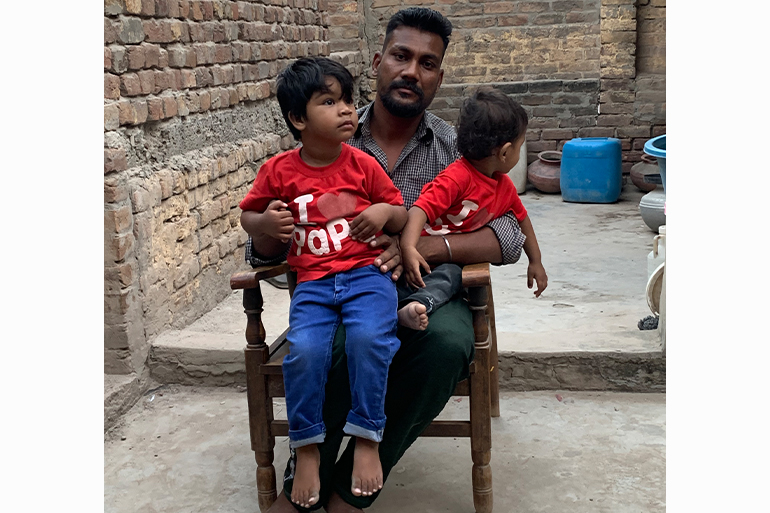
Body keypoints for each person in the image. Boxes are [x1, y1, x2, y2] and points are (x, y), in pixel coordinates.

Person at [243, 7, 548, 512]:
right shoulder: (324, 135)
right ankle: (308, 462)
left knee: (446, 344)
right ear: (377, 60)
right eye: (401, 56)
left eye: (427, 63)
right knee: (330, 344)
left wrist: (427, 244)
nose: (412, 71)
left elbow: (509, 235)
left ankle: (347, 489)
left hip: (424, 283)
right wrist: (273, 232)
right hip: (342, 284)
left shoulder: (457, 148)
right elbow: (262, 249)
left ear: (439, 77)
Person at [238, 56, 409, 508]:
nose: (347, 110)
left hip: (366, 277)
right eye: (330, 101)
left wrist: (381, 213)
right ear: (298, 118)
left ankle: (368, 437)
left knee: (370, 340)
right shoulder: (278, 171)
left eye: (349, 100)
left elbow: (400, 210)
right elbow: (248, 214)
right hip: (312, 284)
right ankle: (307, 447)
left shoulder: (363, 164)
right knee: (306, 354)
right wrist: (266, 223)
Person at [398, 86, 548, 330]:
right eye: (520, 147)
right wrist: (408, 247)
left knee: (451, 276)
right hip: (413, 259)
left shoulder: (504, 188)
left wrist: (536, 262)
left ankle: (416, 307)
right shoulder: (456, 178)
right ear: (505, 152)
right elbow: (419, 210)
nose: (518, 153)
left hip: (444, 265)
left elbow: (523, 221)